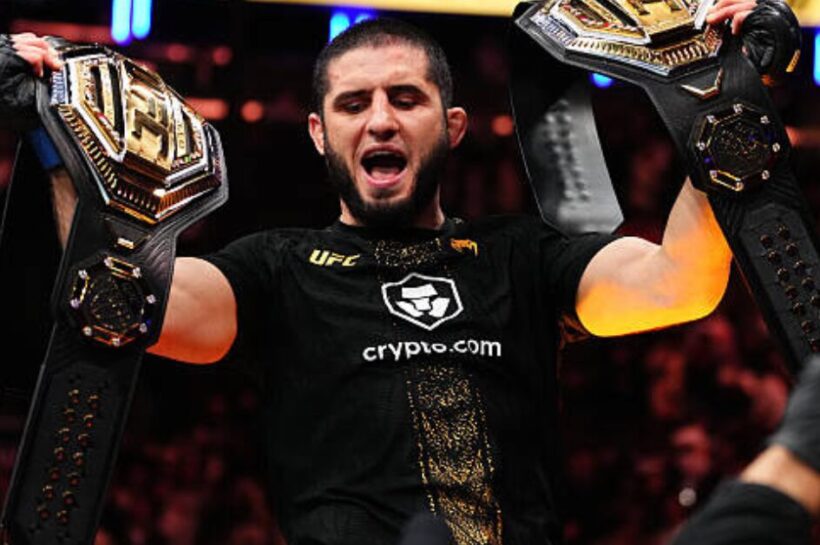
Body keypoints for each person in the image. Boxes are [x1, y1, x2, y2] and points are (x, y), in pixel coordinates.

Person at [0, 1, 809, 543]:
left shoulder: (522, 255)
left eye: (405, 99)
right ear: (318, 134)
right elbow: (132, 303)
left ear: (452, 125)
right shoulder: (276, 268)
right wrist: (59, 137)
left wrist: (726, 105)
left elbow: (677, 282)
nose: (381, 119)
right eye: (354, 104)